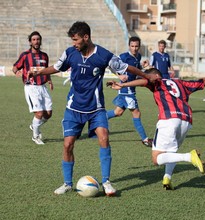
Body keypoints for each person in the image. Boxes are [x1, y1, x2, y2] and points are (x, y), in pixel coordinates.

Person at [28, 21, 158, 196]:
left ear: (86, 37)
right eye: (72, 40)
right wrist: (39, 72)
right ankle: (67, 183)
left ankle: (106, 182)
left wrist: (145, 75)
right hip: (73, 108)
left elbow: (127, 67)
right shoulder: (70, 53)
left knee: (104, 139)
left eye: (76, 40)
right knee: (68, 145)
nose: (74, 43)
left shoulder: (103, 55)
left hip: (96, 108)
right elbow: (56, 67)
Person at [107, 66, 205, 190]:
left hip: (169, 119)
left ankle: (189, 156)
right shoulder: (180, 82)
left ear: (155, 76)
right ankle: (167, 178)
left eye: (148, 76)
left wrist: (123, 85)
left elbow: (144, 81)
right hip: (186, 120)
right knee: (171, 151)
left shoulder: (157, 81)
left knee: (156, 159)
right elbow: (202, 82)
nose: (147, 78)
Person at [107, 36, 152, 147]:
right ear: (129, 46)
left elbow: (135, 72)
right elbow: (110, 65)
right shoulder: (123, 56)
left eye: (136, 46)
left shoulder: (138, 57)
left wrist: (143, 67)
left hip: (129, 88)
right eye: (132, 46)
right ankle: (145, 139)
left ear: (139, 46)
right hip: (126, 90)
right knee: (136, 113)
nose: (134, 48)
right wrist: (119, 75)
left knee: (118, 112)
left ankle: (98, 118)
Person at [12, 31, 53, 145]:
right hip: (31, 87)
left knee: (48, 114)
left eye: (38, 39)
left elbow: (46, 70)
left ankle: (34, 125)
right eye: (34, 39)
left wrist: (49, 80)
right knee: (39, 113)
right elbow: (15, 67)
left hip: (43, 87)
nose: (36, 41)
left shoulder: (44, 56)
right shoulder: (25, 55)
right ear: (30, 42)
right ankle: (36, 136)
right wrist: (18, 71)